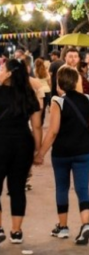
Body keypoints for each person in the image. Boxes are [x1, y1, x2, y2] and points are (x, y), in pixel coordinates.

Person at [34, 66, 89, 245]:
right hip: (84, 151)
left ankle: (63, 227)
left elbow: (53, 132)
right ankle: (85, 224)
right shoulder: (87, 99)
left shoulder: (58, 102)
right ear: (76, 81)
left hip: (62, 153)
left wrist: (40, 154)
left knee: (62, 188)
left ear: (59, 83)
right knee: (82, 188)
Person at [0, 59, 42, 244]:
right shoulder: (28, 94)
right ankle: (16, 232)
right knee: (17, 189)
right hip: (23, 144)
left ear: (9, 73)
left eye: (2, 68)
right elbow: (37, 126)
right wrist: (38, 150)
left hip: (0, 142)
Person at [34, 58, 51, 125]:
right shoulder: (46, 71)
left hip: (39, 91)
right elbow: (49, 82)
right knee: (44, 108)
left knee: (39, 107)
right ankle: (42, 122)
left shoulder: (35, 71)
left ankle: (38, 121)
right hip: (47, 90)